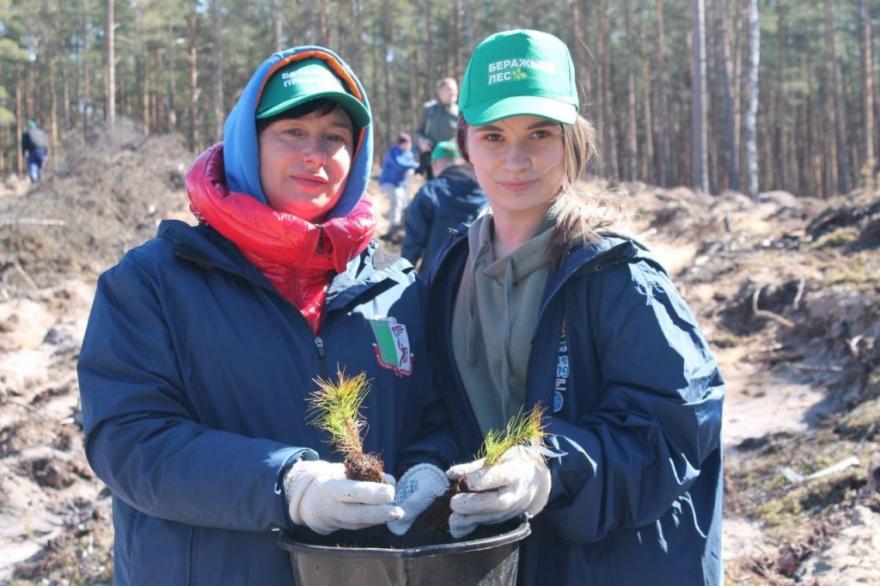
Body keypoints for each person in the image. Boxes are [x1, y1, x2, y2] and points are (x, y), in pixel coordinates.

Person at [77, 46, 456, 585]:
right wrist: (286, 483)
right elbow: (129, 442)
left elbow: (434, 415)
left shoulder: (394, 287)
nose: (315, 154)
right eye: (291, 132)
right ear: (245, 143)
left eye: (334, 138)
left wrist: (426, 466)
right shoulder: (152, 282)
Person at [424, 30, 724, 585]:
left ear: (572, 141)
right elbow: (441, 409)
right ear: (465, 145)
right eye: (493, 135)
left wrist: (546, 468)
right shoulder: (447, 272)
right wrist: (427, 464)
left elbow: (677, 427)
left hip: (611, 564)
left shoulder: (617, 274)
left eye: (539, 133)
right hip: (502, 563)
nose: (516, 159)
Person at [401, 140, 487, 271]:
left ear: (435, 165)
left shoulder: (430, 192)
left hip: (433, 279)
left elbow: (412, 243)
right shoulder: (484, 193)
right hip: (472, 282)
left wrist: (403, 275)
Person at [415, 77, 459, 180]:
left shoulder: (460, 111)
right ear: (440, 92)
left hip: (454, 159)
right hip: (432, 161)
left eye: (455, 89)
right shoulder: (429, 110)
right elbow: (417, 133)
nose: (454, 92)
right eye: (450, 89)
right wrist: (422, 141)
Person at [378, 131, 418, 230]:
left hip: (401, 184)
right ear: (403, 144)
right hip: (389, 182)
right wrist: (415, 165)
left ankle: (397, 223)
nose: (410, 146)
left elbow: (412, 163)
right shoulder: (393, 153)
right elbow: (400, 165)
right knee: (396, 198)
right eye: (408, 143)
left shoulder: (408, 154)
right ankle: (393, 226)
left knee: (403, 202)